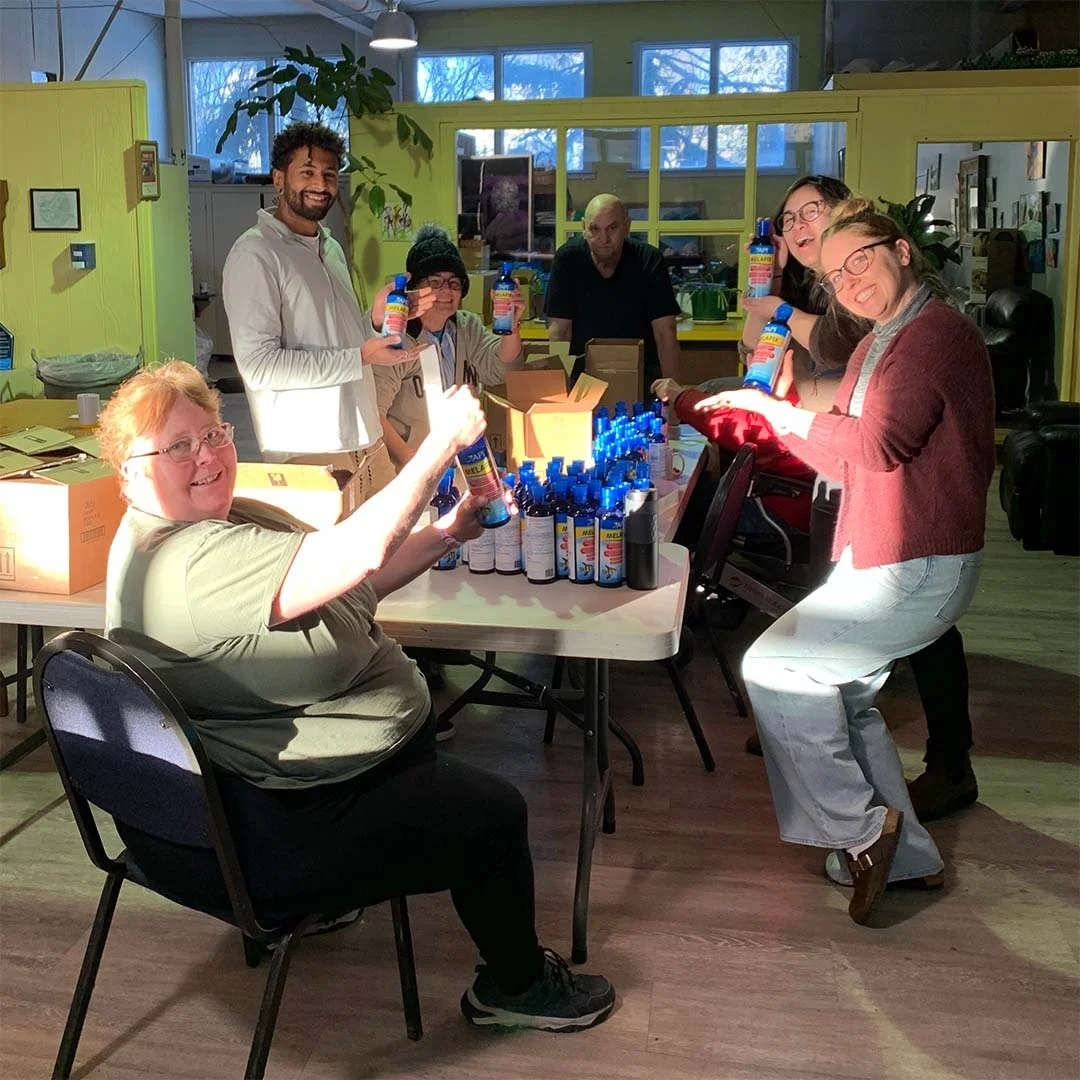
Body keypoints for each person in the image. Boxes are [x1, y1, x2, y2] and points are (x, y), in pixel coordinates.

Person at [97, 360, 616, 1032]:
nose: (208, 457)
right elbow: (359, 553)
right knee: (494, 815)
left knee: (455, 797)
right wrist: (438, 447)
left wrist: (450, 531)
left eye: (215, 435)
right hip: (285, 826)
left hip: (275, 795)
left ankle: (358, 901)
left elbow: (348, 581)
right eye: (177, 446)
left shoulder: (212, 526)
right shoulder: (188, 563)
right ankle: (513, 989)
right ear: (130, 474)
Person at [693, 200, 995, 923]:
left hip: (919, 562)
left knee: (773, 671)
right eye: (833, 275)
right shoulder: (880, 339)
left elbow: (877, 446)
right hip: (884, 554)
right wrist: (764, 405)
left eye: (860, 259)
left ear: (900, 250)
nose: (848, 281)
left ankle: (863, 833)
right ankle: (909, 857)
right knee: (845, 699)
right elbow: (840, 429)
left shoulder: (933, 336)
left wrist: (778, 415)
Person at [222, 121, 431, 506]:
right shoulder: (254, 255)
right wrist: (359, 357)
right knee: (338, 565)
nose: (321, 184)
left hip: (365, 436)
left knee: (390, 556)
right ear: (279, 178)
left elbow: (343, 341)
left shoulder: (329, 247)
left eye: (330, 174)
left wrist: (374, 320)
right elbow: (258, 367)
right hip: (309, 450)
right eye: (308, 172)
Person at [371, 224, 526, 470]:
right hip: (406, 470)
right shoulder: (396, 340)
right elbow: (374, 415)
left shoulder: (466, 326)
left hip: (461, 467)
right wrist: (416, 468)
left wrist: (512, 324)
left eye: (454, 283)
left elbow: (500, 368)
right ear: (415, 289)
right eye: (435, 282)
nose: (446, 290)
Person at [545, 193, 681, 389]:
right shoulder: (567, 260)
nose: (604, 239)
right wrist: (557, 395)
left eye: (612, 228)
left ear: (627, 226)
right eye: (594, 229)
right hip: (582, 380)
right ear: (583, 228)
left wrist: (674, 397)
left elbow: (665, 333)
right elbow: (559, 332)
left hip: (642, 378)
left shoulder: (648, 260)